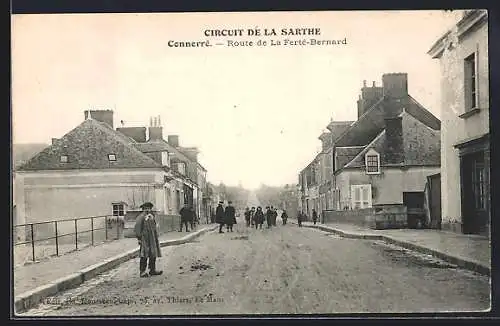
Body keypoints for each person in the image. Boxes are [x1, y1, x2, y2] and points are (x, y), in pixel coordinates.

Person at [134, 202, 163, 278]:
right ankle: (142, 271)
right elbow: (137, 228)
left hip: (152, 238)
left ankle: (152, 270)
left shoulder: (152, 216)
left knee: (153, 253)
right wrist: (139, 238)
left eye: (149, 208)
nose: (148, 210)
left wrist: (156, 235)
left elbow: (155, 226)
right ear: (143, 209)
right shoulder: (141, 217)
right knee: (144, 254)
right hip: (145, 238)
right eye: (146, 208)